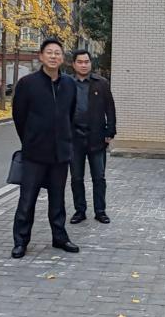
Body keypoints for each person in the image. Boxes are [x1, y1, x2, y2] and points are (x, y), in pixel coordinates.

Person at [10, 39, 80, 259]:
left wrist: (66, 138)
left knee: (58, 199)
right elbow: (19, 116)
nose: (53, 56)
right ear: (41, 56)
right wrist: (30, 139)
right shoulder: (28, 83)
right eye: (49, 52)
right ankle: (21, 241)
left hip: (61, 153)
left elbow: (70, 114)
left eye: (57, 53)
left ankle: (59, 237)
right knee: (27, 199)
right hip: (35, 153)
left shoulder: (69, 84)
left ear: (62, 58)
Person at [69, 49, 117, 225]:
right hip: (74, 139)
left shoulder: (101, 83)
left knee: (99, 177)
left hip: (96, 137)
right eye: (80, 62)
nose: (84, 65)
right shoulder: (67, 83)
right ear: (74, 64)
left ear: (91, 63)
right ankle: (79, 211)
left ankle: (100, 211)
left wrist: (110, 131)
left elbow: (110, 109)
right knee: (76, 178)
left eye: (86, 62)